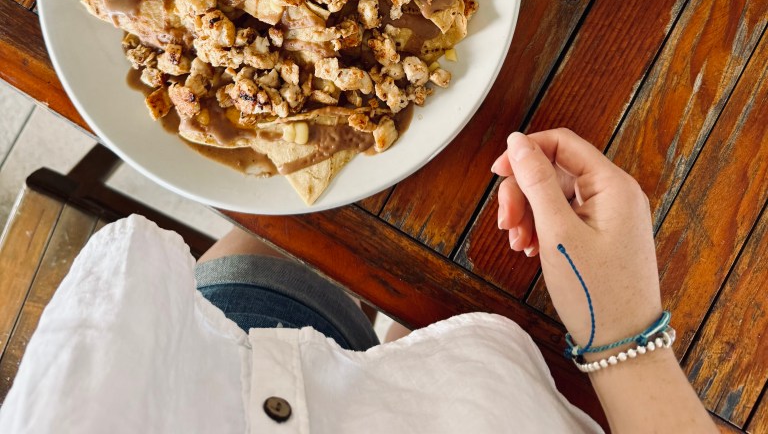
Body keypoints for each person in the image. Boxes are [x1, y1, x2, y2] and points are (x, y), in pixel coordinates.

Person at [0, 129, 716, 433]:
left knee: (302, 211)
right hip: (497, 405)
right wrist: (627, 335)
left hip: (201, 384)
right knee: (445, 313)